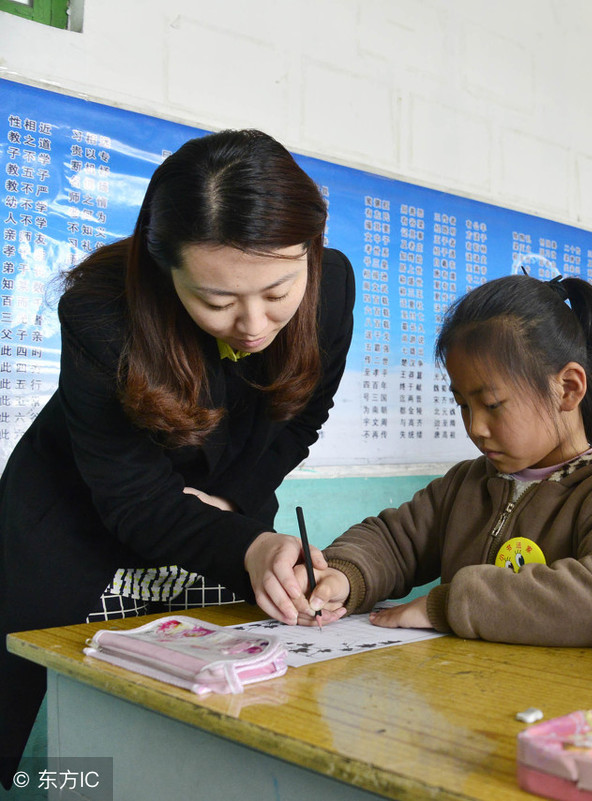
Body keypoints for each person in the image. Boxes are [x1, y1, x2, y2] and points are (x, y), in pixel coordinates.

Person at [0, 129, 354, 784]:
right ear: (167, 273)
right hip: (79, 517)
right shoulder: (103, 316)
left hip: (214, 516)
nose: (252, 324)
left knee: (226, 704)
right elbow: (134, 497)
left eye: (277, 292)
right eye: (217, 301)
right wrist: (240, 540)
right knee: (55, 725)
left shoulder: (330, 288)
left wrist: (240, 523)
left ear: (312, 249)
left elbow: (301, 415)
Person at [255, 274, 592, 646]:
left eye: (492, 405)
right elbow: (395, 540)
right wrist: (343, 575)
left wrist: (450, 604)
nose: (475, 428)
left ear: (567, 388)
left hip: (569, 718)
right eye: (463, 405)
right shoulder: (469, 483)